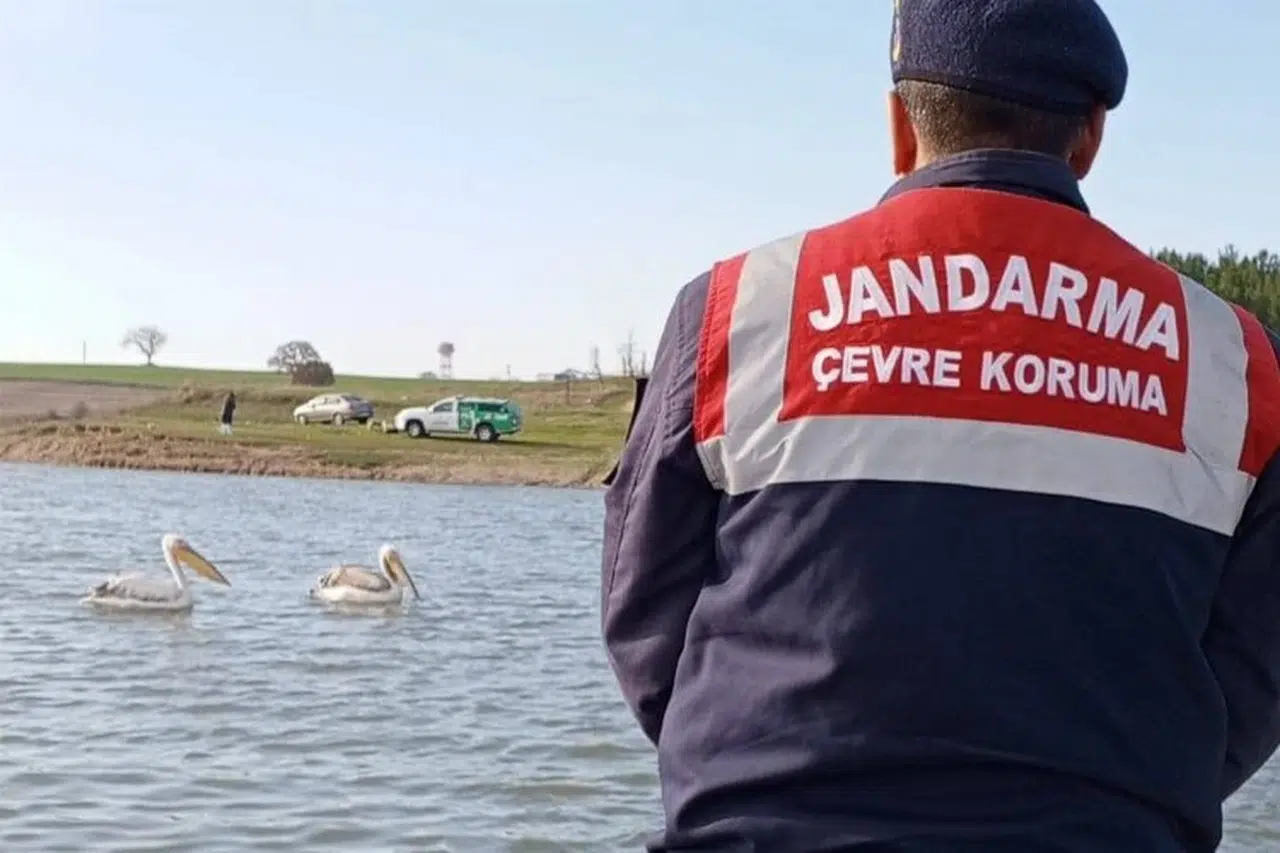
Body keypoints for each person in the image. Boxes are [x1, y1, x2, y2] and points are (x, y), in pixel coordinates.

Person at [600, 1, 1280, 851]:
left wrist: (742, 760)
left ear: (899, 123)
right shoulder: (1233, 360)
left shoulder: (736, 314)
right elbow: (1254, 670)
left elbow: (643, 615)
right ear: (1092, 138)